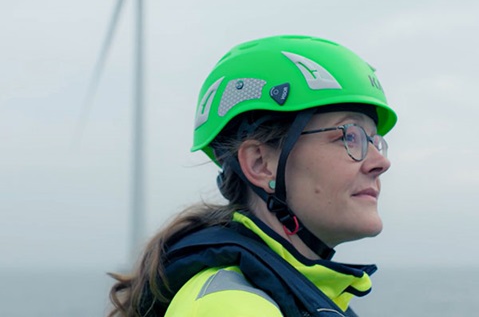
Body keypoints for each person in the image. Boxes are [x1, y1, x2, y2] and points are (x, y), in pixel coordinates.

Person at [108, 34, 397, 317]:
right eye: (349, 136)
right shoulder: (228, 306)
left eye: (375, 141)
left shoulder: (293, 295)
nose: (380, 162)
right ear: (260, 164)